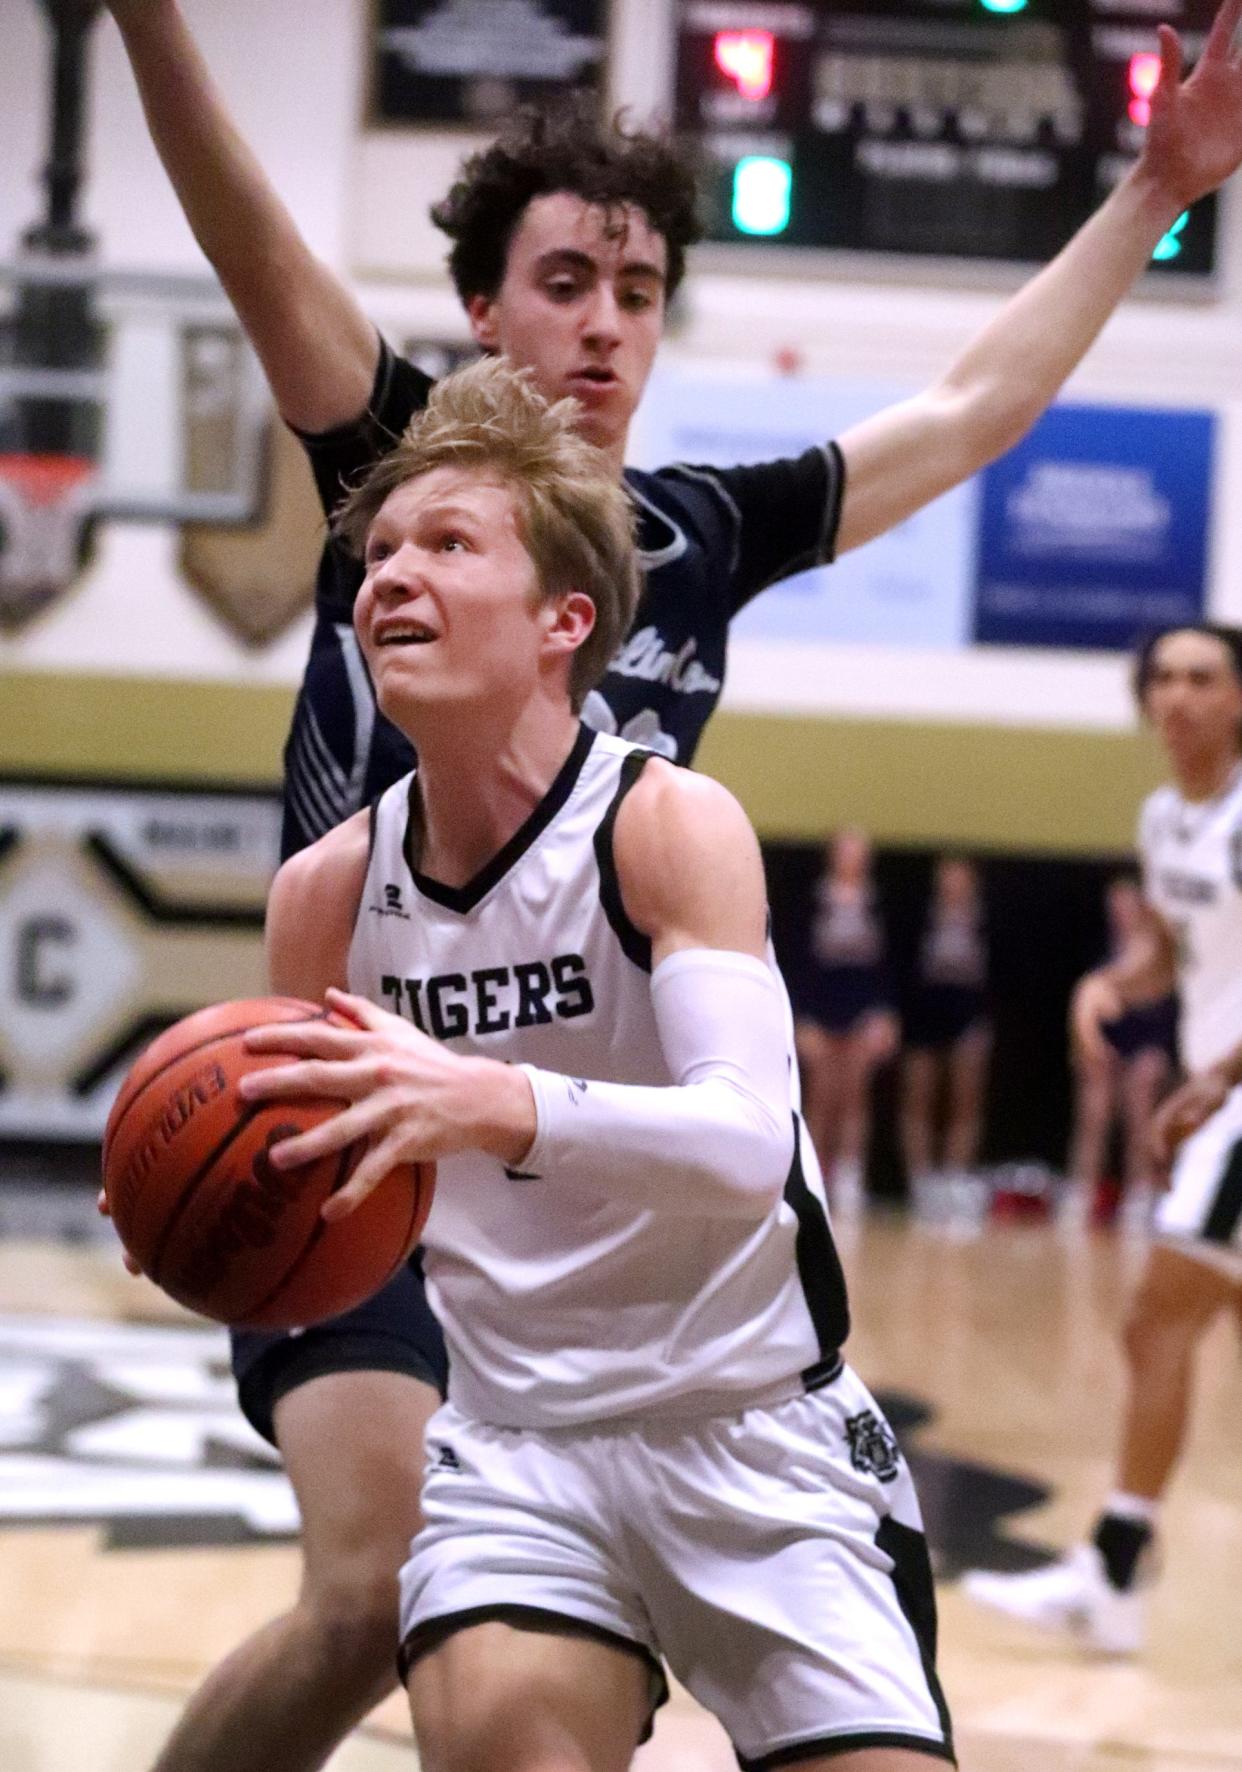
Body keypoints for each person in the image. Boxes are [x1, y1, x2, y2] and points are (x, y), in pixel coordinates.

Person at [99, 0, 1242, 1761]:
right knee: (370, 1588)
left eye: (636, 293)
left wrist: (1159, 186)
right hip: (381, 1131)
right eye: (564, 282)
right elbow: (246, 233)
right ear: (483, 308)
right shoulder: (393, 464)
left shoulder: (695, 537)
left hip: (614, 1168)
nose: (605, 325)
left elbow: (969, 405)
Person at [239, 353, 956, 1772]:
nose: (391, 576)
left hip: (757, 1436)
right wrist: (214, 1213)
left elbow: (747, 1144)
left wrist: (490, 1101)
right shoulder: (324, 897)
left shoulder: (662, 824)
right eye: (379, 551)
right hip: (518, 1454)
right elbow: (312, 1182)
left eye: (447, 545)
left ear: (566, 619)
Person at [963, 623, 1242, 1656]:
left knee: (1153, 1320)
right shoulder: (1169, 817)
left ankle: (1116, 1575)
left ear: (1240, 698)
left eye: (1202, 677)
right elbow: (1173, 950)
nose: (1176, 694)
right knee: (1173, 1325)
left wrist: (1212, 1076)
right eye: (1162, 677)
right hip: (1219, 1099)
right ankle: (1116, 1573)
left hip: (1235, 1104)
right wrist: (1113, 981)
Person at [1063, 876, 1178, 1232]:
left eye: (1128, 907)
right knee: (1095, 1103)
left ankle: (1139, 1196)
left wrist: (1157, 1053)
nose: (1121, 914)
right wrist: (1090, 1047)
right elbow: (1086, 1011)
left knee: (1140, 1095)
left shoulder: (1162, 950)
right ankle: (1081, 1193)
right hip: (1109, 1051)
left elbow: (1170, 1012)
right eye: (1115, 908)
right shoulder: (1098, 952)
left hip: (1149, 1052)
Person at [795, 830, 899, 1212]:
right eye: (847, 850)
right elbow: (799, 959)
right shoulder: (815, 899)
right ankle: (813, 1176)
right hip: (820, 1009)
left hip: (862, 1010)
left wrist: (885, 1013)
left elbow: (887, 965)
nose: (853, 858)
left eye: (860, 852)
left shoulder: (876, 903)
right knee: (821, 1096)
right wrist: (801, 1016)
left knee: (855, 1095)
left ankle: (851, 1179)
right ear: (834, 855)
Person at [900, 858, 992, 1224]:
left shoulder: (983, 920)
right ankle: (920, 1182)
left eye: (960, 880)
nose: (952, 886)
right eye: (946, 880)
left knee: (965, 1098)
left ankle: (955, 1179)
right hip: (926, 1013)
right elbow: (907, 966)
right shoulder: (922, 917)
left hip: (968, 1014)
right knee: (919, 1094)